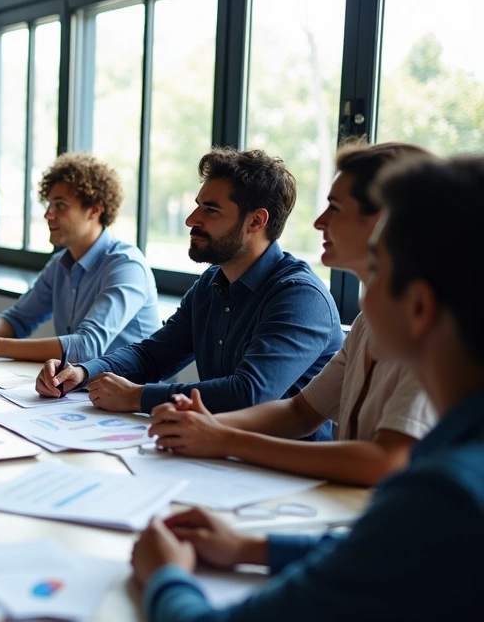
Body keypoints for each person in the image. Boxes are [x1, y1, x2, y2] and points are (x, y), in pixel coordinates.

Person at [130, 154, 484, 621]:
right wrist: (249, 546)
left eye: (375, 269)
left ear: (419, 307)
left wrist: (165, 575)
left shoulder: (441, 496)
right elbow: (377, 550)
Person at [147, 142, 438, 486]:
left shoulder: (432, 328)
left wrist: (223, 438)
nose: (318, 222)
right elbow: (301, 412)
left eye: (335, 208)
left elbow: (387, 462)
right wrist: (205, 423)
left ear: (382, 219)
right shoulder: (366, 324)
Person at [36, 148, 343, 421]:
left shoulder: (300, 296)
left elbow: (250, 394)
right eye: (198, 205)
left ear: (256, 222)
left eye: (210, 210)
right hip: (220, 452)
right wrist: (82, 372)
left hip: (290, 473)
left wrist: (137, 396)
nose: (191, 219)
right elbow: (152, 356)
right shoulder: (211, 283)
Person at [0, 153, 158, 362]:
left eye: (60, 205)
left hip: (134, 390)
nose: (48, 215)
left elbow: (86, 347)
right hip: (85, 388)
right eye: (48, 205)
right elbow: (18, 320)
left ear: (94, 210)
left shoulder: (126, 265)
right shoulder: (59, 265)